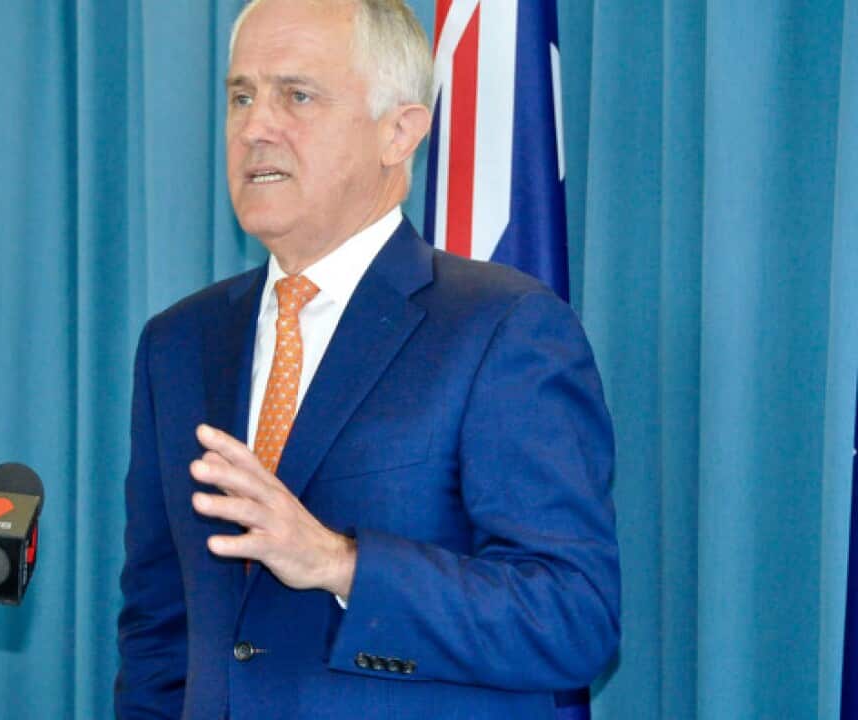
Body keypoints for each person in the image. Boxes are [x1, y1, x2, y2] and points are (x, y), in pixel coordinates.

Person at [115, 0, 620, 717]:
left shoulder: (503, 328)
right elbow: (159, 633)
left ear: (399, 132)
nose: (255, 127)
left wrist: (340, 563)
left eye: (297, 95)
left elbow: (574, 617)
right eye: (240, 96)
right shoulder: (178, 343)